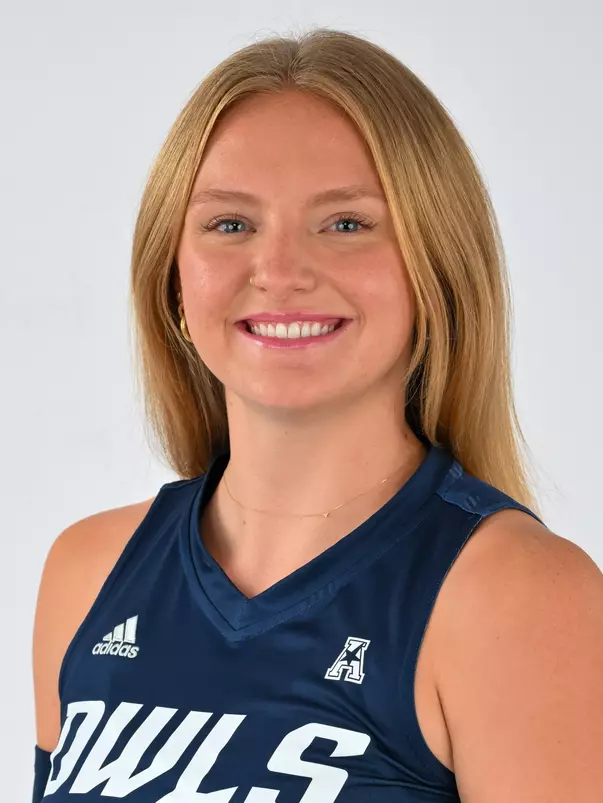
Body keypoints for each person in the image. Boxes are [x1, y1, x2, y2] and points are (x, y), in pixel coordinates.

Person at [32, 27, 603, 803]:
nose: (279, 272)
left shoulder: (517, 596)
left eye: (345, 224)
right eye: (230, 224)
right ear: (172, 277)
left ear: (435, 263)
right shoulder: (88, 571)